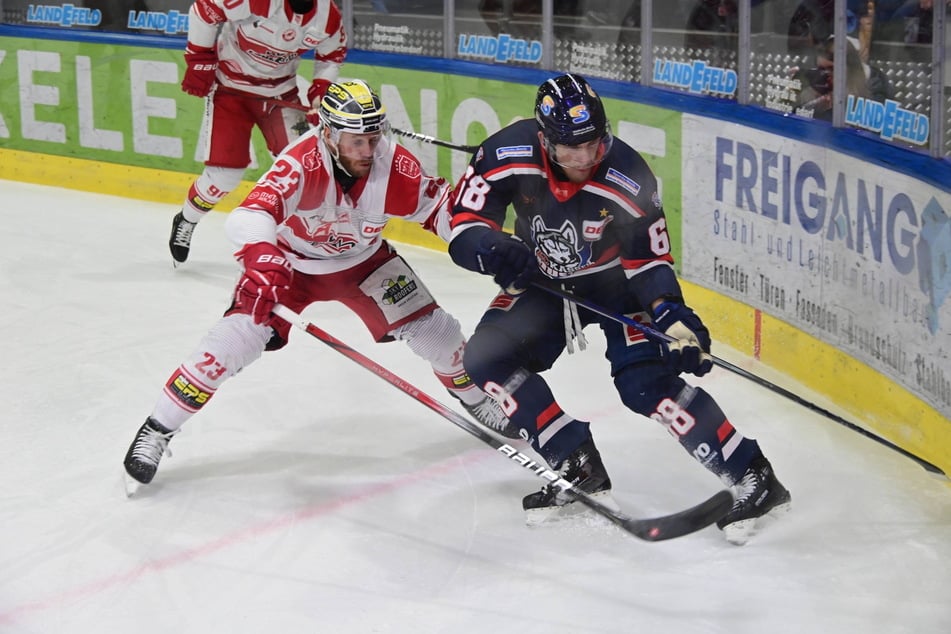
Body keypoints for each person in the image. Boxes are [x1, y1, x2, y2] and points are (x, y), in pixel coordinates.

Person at [447, 73, 791, 544]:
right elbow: (462, 228)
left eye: (594, 142)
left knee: (645, 383)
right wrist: (490, 247)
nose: (586, 157)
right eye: (571, 148)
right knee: (485, 359)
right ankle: (576, 463)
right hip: (547, 283)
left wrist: (672, 315)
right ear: (545, 139)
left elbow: (648, 262)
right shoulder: (505, 153)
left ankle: (754, 476)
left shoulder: (629, 176)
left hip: (618, 287)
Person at [124, 80, 515, 494]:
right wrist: (263, 257)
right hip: (290, 268)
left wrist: (476, 241)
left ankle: (475, 399)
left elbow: (437, 207)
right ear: (328, 133)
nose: (367, 151)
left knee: (440, 335)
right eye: (355, 142)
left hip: (365, 263)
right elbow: (249, 215)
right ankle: (158, 428)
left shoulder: (393, 164)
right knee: (229, 345)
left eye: (372, 138)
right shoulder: (299, 164)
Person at [168, 0, 348, 267]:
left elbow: (331, 55)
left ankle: (303, 242)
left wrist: (320, 93)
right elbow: (204, 10)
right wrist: (199, 58)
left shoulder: (328, 16)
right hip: (230, 92)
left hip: (279, 96)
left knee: (305, 171)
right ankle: (187, 219)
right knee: (224, 177)